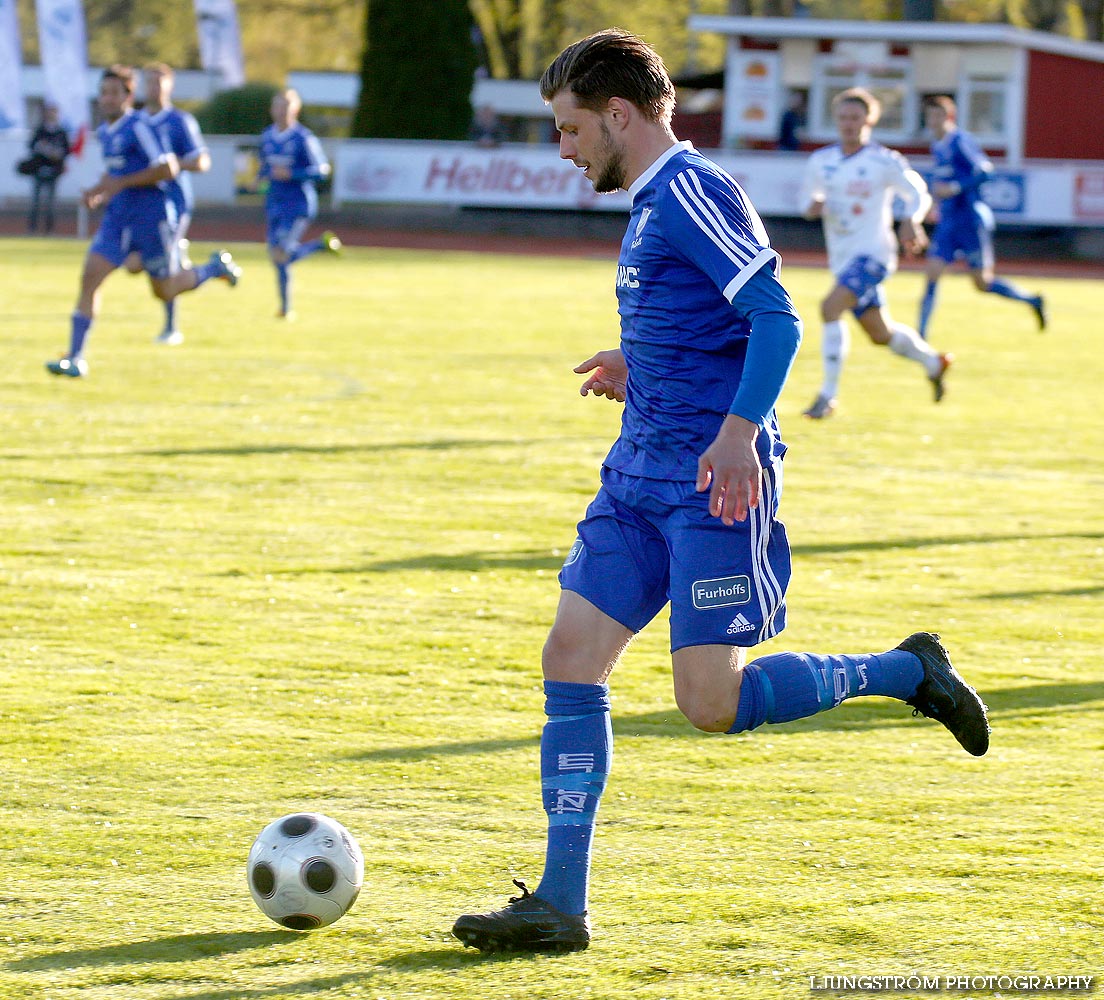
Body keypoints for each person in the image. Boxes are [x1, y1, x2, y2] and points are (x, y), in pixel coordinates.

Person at [451, 30, 990, 955]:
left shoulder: (691, 193)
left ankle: (907, 672)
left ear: (620, 115)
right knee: (569, 658)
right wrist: (639, 358)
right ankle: (559, 903)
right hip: (637, 476)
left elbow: (774, 318)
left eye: (572, 128)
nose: (566, 148)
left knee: (711, 703)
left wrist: (739, 432)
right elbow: (700, 318)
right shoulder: (655, 198)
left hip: (711, 485)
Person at [44, 65, 241, 379]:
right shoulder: (106, 130)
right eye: (103, 93)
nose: (106, 99)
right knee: (90, 277)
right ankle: (76, 357)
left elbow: (167, 168)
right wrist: (98, 190)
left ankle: (213, 269)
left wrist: (120, 184)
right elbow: (116, 172)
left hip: (153, 220)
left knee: (165, 291)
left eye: (113, 93)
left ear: (127, 97)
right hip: (118, 218)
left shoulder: (139, 126)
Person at [800, 88, 951, 421]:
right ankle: (932, 362)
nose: (848, 124)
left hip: (874, 255)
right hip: (843, 259)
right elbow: (807, 201)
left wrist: (911, 220)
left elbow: (917, 193)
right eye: (843, 117)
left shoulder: (883, 160)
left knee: (830, 308)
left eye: (855, 117)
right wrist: (814, 206)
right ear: (835, 119)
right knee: (880, 334)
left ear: (869, 120)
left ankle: (828, 395)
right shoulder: (821, 161)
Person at [917, 95, 1045, 340]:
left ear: (948, 116)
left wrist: (954, 188)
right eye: (929, 116)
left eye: (936, 115)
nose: (932, 121)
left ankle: (1032, 300)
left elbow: (985, 171)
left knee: (982, 283)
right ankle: (921, 335)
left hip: (969, 221)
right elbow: (942, 179)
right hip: (948, 221)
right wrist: (936, 202)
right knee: (932, 273)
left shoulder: (959, 140)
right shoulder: (937, 144)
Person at [125, 63, 212, 346]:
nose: (154, 87)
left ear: (170, 86)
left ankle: (171, 327)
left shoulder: (180, 121)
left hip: (172, 205)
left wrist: (174, 165)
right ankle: (211, 268)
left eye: (160, 82)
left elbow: (202, 161)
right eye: (150, 82)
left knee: (161, 272)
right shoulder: (134, 121)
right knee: (134, 264)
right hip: (139, 205)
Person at [258, 88, 341, 320]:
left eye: (287, 106)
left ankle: (318, 248)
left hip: (297, 206)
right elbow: (266, 166)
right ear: (272, 109)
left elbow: (321, 170)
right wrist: (260, 179)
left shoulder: (303, 138)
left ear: (296, 109)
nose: (282, 111)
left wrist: (293, 174)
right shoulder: (267, 136)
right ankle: (285, 308)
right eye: (278, 106)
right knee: (277, 257)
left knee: (282, 252)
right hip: (274, 202)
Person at [26, 103, 71, 234]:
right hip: (39, 170)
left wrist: (56, 154)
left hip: (54, 172)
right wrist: (42, 148)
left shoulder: (61, 132)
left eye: (54, 112)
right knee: (35, 202)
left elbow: (67, 150)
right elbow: (31, 145)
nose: (51, 115)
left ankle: (49, 230)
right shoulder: (40, 130)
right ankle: (32, 229)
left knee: (51, 204)